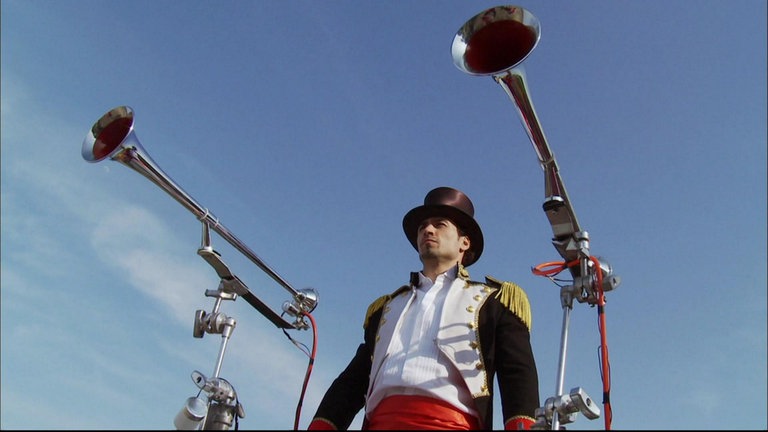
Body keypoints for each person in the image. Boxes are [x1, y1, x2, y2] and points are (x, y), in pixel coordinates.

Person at [308, 186, 540, 430]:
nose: (428, 230)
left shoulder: (494, 301)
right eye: (422, 227)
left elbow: (517, 374)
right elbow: (352, 382)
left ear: (464, 242)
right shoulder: (386, 308)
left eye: (440, 224)